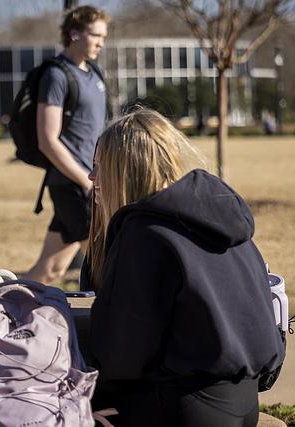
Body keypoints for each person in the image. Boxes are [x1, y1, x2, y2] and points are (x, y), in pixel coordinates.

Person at [86, 108, 285, 426]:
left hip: (183, 409)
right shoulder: (222, 218)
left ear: (125, 170)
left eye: (98, 168)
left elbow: (120, 353)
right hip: (244, 402)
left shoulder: (144, 231)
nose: (91, 178)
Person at [24, 5, 109, 284]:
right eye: (95, 35)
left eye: (103, 36)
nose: (101, 42)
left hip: (87, 183)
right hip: (74, 186)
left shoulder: (94, 74)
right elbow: (48, 139)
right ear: (74, 34)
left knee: (50, 271)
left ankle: (0, 306)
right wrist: (86, 182)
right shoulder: (57, 76)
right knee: (107, 267)